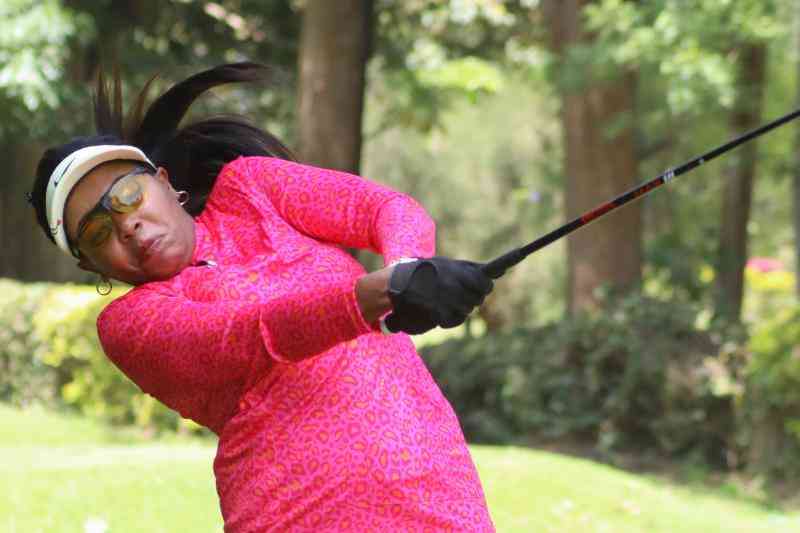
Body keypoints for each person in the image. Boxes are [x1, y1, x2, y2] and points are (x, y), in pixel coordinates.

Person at [27, 62, 496, 532]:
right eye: (96, 230)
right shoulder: (131, 323)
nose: (125, 223)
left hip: (436, 488)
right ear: (93, 265)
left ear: (165, 182)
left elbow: (384, 208)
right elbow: (250, 334)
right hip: (300, 517)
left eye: (128, 194)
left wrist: (410, 269)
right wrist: (374, 296)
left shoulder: (250, 188)